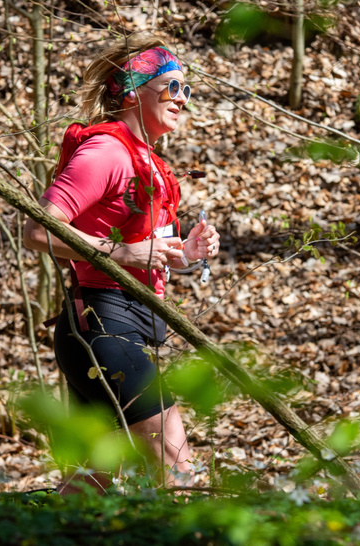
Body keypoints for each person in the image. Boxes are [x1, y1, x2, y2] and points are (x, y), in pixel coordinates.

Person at [24, 34, 220, 491]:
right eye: (172, 87)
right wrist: (124, 252)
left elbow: (139, 253)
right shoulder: (107, 152)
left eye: (187, 90)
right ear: (133, 90)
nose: (182, 99)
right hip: (104, 328)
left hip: (110, 329)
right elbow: (37, 230)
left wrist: (184, 255)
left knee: (89, 485)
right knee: (178, 471)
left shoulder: (147, 160)